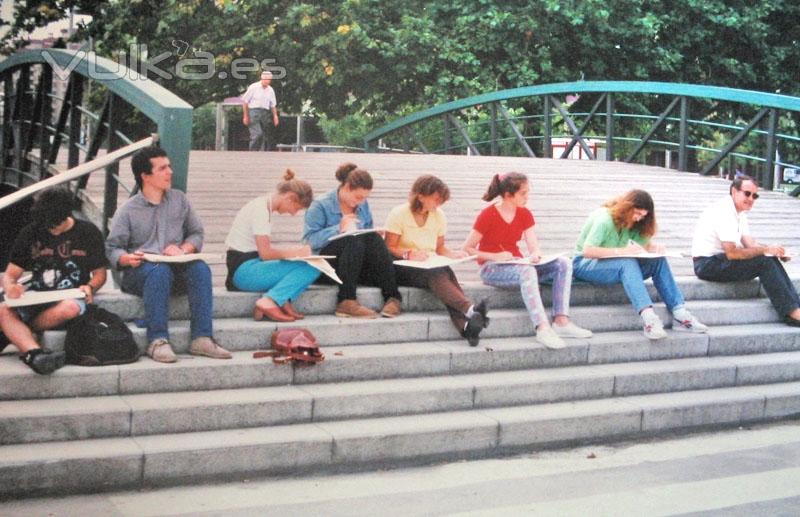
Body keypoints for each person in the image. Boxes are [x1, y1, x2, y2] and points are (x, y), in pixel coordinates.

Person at [106, 146, 232, 363]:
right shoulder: (128, 210)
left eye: (169, 166)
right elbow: (112, 248)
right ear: (145, 176)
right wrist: (126, 258)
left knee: (200, 268)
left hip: (175, 268)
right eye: (162, 168)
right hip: (141, 274)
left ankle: (202, 338)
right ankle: (157, 340)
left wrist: (183, 249)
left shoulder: (179, 200)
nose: (170, 172)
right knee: (158, 270)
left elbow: (196, 233)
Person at [462, 172, 592, 349]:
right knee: (527, 271)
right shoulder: (488, 215)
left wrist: (535, 255)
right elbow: (467, 249)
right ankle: (542, 328)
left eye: (527, 192)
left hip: (517, 263)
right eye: (523, 193)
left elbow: (533, 246)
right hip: (491, 267)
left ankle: (561, 321)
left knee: (563, 263)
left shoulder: (524, 214)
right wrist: (496, 256)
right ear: (508, 195)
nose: (527, 197)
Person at [573, 189, 707, 340]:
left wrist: (653, 248)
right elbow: (588, 251)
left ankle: (680, 312)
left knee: (658, 260)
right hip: (584, 264)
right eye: (636, 213)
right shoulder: (604, 219)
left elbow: (641, 245)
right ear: (626, 208)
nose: (638, 218)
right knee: (627, 262)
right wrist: (622, 251)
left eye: (642, 216)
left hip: (613, 265)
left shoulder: (634, 222)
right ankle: (649, 319)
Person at [0, 188, 108, 374]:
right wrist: (11, 287)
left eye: (55, 225)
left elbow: (100, 274)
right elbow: (10, 274)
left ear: (67, 215)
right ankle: (35, 354)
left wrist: (90, 287)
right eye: (47, 226)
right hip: (37, 294)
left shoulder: (88, 232)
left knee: (70, 308)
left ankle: (13, 333)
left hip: (70, 295)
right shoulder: (31, 232)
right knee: (3, 309)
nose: (51, 229)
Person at [385, 175, 488, 346]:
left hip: (429, 264)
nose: (439, 203)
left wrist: (453, 254)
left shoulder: (438, 215)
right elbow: (388, 247)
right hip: (404, 267)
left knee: (444, 271)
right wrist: (408, 254)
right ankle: (469, 311)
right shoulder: (399, 213)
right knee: (439, 274)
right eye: (436, 199)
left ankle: (467, 326)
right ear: (421, 195)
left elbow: (440, 248)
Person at [692, 175, 800, 326]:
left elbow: (750, 244)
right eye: (747, 193)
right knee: (764, 261)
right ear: (734, 191)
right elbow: (733, 253)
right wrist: (765, 250)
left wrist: (775, 251)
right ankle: (791, 313)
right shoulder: (724, 211)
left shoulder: (739, 212)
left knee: (768, 257)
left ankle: (796, 306)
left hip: (721, 260)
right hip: (706, 264)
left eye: (755, 196)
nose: (751, 199)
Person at [303, 162, 402, 319]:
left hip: (354, 263)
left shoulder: (362, 205)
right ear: (347, 187)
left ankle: (393, 296)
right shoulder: (320, 205)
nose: (361, 201)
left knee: (373, 238)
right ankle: (346, 300)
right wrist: (338, 228)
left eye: (364, 198)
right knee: (352, 240)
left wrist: (375, 234)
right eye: (358, 197)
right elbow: (310, 241)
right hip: (327, 265)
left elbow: (367, 232)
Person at [225, 169, 320, 322]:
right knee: (314, 266)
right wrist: (296, 253)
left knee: (310, 265)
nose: (294, 213)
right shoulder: (260, 210)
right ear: (290, 198)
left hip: (249, 265)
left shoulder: (263, 206)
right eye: (296, 208)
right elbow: (266, 254)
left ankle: (282, 299)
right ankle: (269, 301)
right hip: (243, 271)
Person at [242, 70, 279, 151]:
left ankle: (259, 154)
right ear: (261, 78)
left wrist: (275, 116)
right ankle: (252, 152)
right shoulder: (253, 87)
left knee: (264, 136)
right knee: (257, 134)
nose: (267, 81)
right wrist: (245, 116)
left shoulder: (270, 90)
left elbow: (273, 105)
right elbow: (245, 102)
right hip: (254, 112)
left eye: (269, 79)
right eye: (265, 79)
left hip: (265, 113)